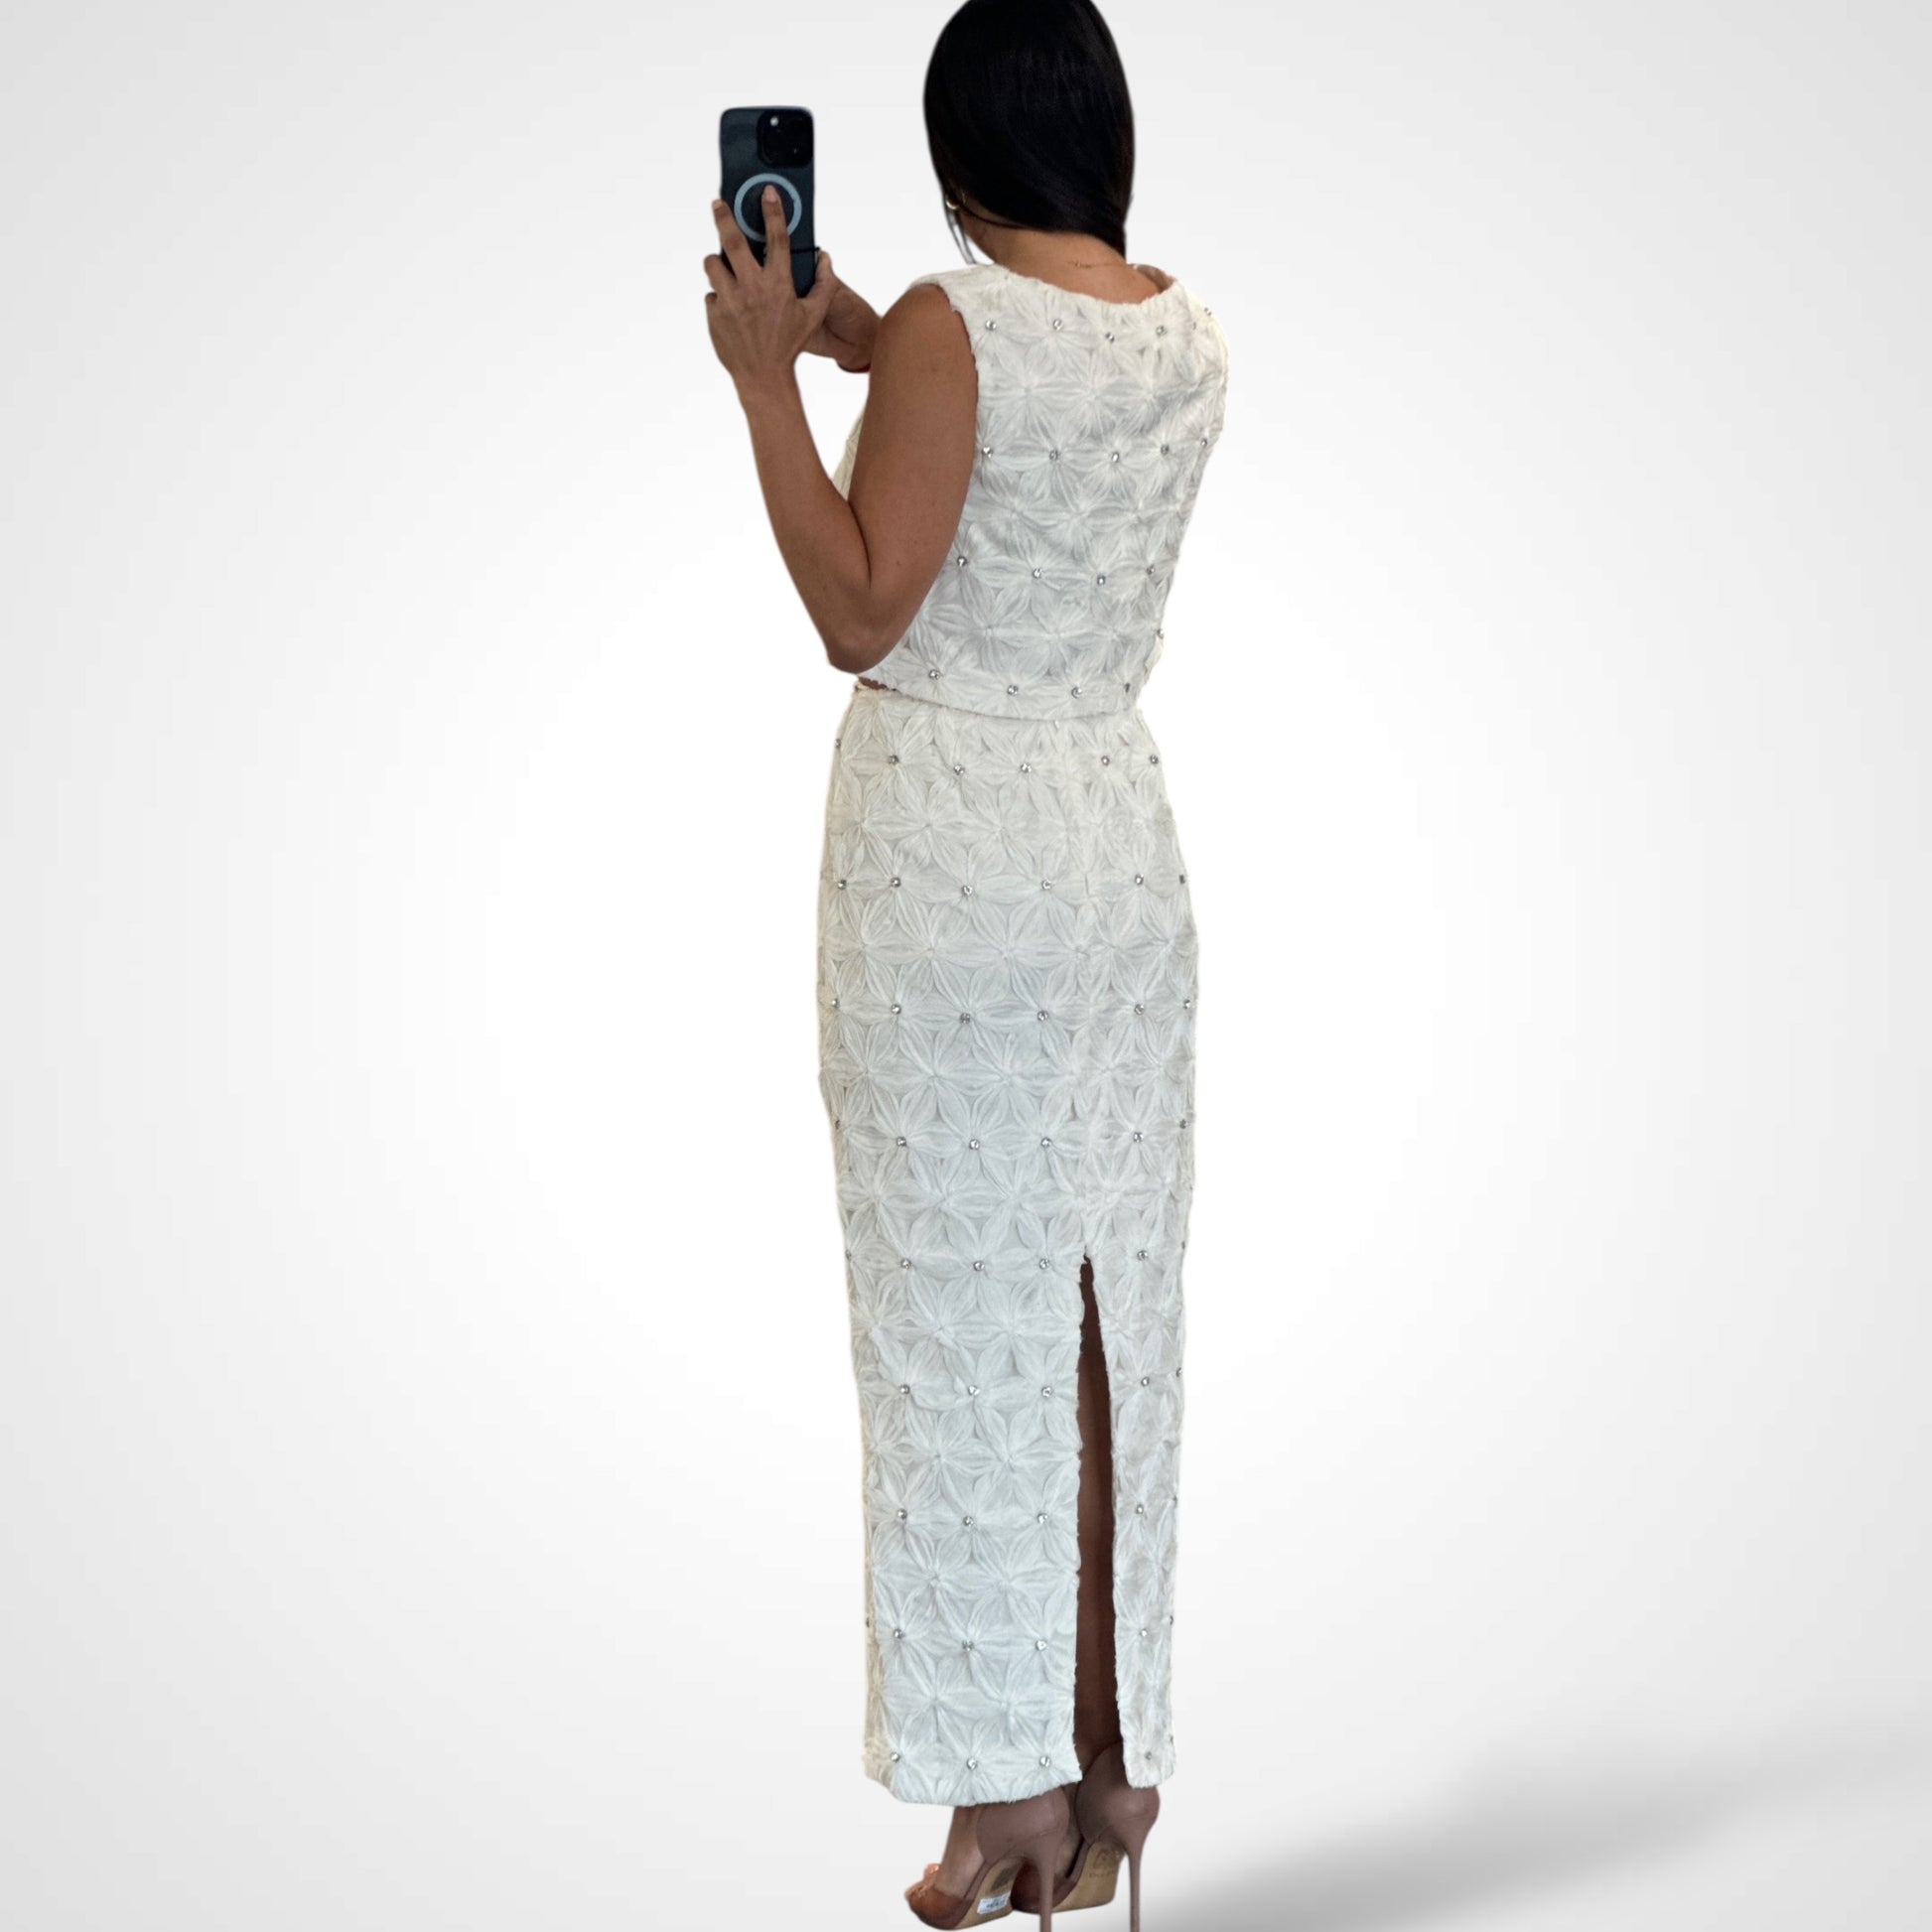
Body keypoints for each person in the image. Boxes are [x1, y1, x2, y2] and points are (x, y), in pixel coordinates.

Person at [704, 2, 1229, 1922]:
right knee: (1100, 1322)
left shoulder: (952, 323)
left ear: (955, 156)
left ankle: (1000, 1804)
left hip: (953, 871)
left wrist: (768, 380)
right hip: (1109, 844)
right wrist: (864, 338)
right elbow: (1017, 428)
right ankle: (1106, 1766)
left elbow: (864, 606)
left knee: (955, 1326)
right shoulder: (1183, 332)